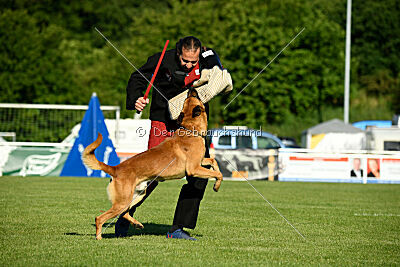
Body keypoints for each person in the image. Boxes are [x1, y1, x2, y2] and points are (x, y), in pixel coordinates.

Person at [118, 36, 224, 240]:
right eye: (185, 61)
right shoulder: (162, 60)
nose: (189, 65)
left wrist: (212, 66)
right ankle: (124, 215)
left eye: (194, 61)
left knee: (200, 175)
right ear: (178, 53)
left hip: (193, 124)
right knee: (150, 172)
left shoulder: (208, 59)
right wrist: (136, 99)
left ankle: (178, 228)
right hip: (164, 120)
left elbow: (218, 75)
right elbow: (137, 78)